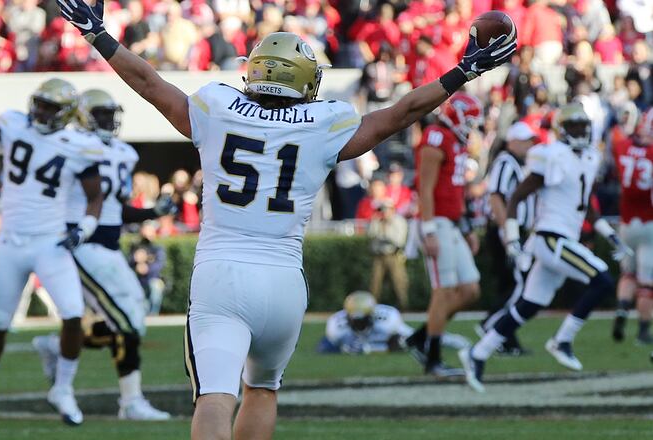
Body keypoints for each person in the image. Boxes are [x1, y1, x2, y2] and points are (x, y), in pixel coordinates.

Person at [55, 0, 515, 436]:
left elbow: (150, 84)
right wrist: (464, 70)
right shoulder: (325, 122)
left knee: (214, 397)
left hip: (221, 275)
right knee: (262, 390)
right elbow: (400, 113)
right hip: (283, 281)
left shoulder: (217, 106)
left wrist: (97, 35)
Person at [0, 78, 105, 428]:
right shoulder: (14, 124)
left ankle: (63, 389)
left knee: (73, 315)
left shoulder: (81, 146)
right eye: (40, 103)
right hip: (9, 243)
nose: (41, 111)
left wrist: (84, 228)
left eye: (50, 107)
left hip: (50, 242)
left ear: (66, 113)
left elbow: (95, 196)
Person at [460, 103, 633, 393]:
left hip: (564, 238)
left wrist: (611, 236)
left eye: (583, 126)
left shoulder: (590, 156)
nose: (580, 131)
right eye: (574, 126)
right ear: (561, 130)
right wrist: (512, 239)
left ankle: (477, 353)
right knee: (602, 279)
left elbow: (586, 206)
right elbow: (516, 197)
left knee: (529, 305)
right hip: (550, 237)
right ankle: (562, 340)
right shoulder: (550, 155)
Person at [32, 88, 173, 421]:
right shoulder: (69, 146)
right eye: (101, 114)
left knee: (134, 318)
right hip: (80, 244)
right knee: (126, 321)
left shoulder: (123, 152)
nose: (109, 120)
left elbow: (114, 210)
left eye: (111, 114)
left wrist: (152, 212)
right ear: (83, 116)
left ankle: (58, 345)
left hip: (109, 246)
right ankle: (131, 402)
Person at [404, 92, 484, 377]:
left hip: (451, 222)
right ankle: (433, 358)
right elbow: (424, 189)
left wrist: (466, 228)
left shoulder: (454, 141)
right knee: (444, 291)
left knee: (470, 289)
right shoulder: (436, 137)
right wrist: (428, 231)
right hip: (434, 222)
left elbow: (455, 192)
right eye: (469, 121)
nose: (470, 128)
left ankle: (420, 338)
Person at [477, 121, 538, 355]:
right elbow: (496, 198)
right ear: (512, 142)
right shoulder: (505, 161)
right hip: (505, 230)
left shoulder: (517, 163)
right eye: (525, 141)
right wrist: (507, 232)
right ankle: (492, 326)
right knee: (516, 285)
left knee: (510, 285)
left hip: (511, 230)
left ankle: (504, 338)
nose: (529, 146)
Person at [612, 109, 653, 344]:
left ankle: (621, 311)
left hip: (626, 222)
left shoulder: (623, 146)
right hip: (649, 223)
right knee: (646, 280)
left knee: (628, 273)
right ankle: (643, 331)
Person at [318, 291, 469, 354]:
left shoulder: (388, 321)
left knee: (420, 340)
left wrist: (394, 345)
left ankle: (452, 340)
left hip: (391, 337)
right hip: (376, 342)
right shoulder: (337, 326)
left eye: (362, 320)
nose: (359, 324)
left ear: (371, 315)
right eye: (355, 321)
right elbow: (324, 347)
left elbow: (400, 341)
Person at [367, 203, 409, 308]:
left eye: (385, 209)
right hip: (379, 255)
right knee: (375, 283)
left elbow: (399, 241)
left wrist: (385, 233)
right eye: (381, 210)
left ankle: (403, 306)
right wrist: (375, 222)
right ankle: (372, 306)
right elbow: (370, 235)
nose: (383, 212)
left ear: (392, 210)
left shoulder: (398, 221)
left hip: (393, 255)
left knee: (399, 282)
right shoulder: (378, 221)